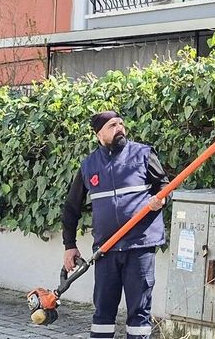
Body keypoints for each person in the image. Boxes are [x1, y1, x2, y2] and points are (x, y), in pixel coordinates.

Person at [62, 111, 171, 339]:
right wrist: (69, 245)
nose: (120, 128)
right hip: (106, 250)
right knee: (103, 313)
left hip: (139, 246)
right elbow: (71, 208)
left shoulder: (143, 154)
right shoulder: (89, 165)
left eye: (121, 123)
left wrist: (160, 199)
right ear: (99, 134)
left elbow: (164, 186)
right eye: (112, 125)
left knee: (139, 314)